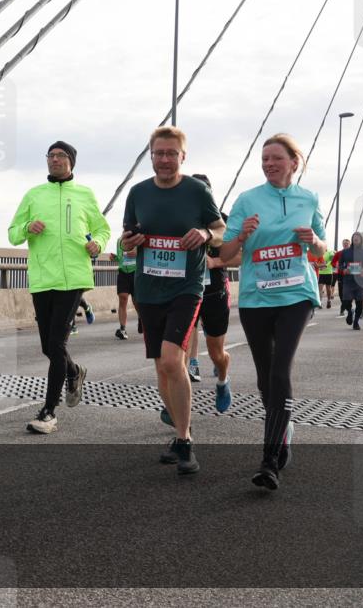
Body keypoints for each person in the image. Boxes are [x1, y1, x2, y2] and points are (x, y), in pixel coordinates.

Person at [219, 134, 326, 490]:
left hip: (296, 294)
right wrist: (243, 236)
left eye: (275, 158)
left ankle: (269, 459)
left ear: (294, 163)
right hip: (256, 297)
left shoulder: (308, 199)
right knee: (266, 377)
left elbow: (322, 253)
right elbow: (228, 252)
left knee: (281, 370)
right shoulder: (247, 200)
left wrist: (315, 241)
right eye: (264, 159)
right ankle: (284, 426)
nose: (268, 164)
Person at [121, 126, 225, 475]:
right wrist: (129, 242)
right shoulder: (138, 192)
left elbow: (221, 229)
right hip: (148, 289)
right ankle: (183, 429)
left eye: (171, 153)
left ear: (183, 156)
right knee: (161, 368)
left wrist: (207, 233)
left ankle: (184, 442)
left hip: (186, 286)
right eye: (158, 153)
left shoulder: (197, 191)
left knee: (171, 360)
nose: (164, 159)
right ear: (151, 156)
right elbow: (127, 238)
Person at [9, 141, 111, 434]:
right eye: (50, 156)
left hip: (74, 277)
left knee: (56, 344)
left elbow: (103, 228)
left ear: (71, 162)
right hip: (42, 278)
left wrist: (99, 243)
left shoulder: (84, 194)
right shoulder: (34, 194)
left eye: (60, 156)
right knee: (48, 347)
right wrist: (28, 228)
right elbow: (13, 233)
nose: (54, 160)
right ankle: (75, 372)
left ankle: (48, 412)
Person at [184, 173, 236, 413]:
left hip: (214, 291)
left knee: (216, 353)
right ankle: (177, 406)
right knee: (177, 352)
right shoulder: (179, 218)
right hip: (183, 291)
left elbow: (241, 255)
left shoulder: (223, 220)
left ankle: (223, 379)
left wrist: (214, 263)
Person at [337, 232, 363, 331]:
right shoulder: (345, 252)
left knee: (359, 302)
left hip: (360, 281)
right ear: (352, 239)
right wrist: (343, 269)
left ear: (361, 240)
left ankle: (356, 322)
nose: (356, 239)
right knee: (346, 301)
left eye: (358, 237)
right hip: (348, 280)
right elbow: (339, 265)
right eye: (354, 237)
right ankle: (349, 312)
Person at [112, 234, 138, 340]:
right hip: (123, 273)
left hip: (136, 273)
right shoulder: (119, 240)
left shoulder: (137, 239)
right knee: (123, 298)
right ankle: (122, 329)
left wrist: (137, 253)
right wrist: (115, 258)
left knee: (137, 302)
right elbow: (121, 258)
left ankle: (144, 323)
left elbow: (140, 254)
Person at [332, 238, 351, 317]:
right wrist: (335, 265)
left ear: (349, 244)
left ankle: (343, 308)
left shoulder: (352, 253)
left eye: (347, 244)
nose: (345, 245)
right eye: (344, 244)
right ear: (342, 244)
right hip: (340, 274)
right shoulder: (339, 253)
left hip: (350, 275)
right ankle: (345, 306)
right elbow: (333, 262)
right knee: (341, 293)